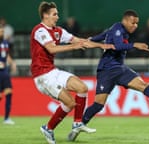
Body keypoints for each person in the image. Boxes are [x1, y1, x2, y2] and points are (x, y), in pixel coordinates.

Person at [67, 9, 149, 141]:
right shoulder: (118, 28)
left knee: (144, 86)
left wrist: (90, 39)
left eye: (137, 23)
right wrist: (135, 45)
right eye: (133, 23)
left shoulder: (118, 30)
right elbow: (119, 46)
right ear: (125, 20)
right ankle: (78, 126)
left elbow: (104, 35)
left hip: (120, 69)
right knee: (98, 105)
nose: (135, 26)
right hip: (107, 71)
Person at [30, 2, 114, 144]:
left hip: (53, 71)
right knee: (69, 103)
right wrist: (74, 46)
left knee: (82, 88)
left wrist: (102, 45)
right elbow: (52, 49)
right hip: (42, 76)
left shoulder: (58, 31)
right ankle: (48, 128)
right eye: (54, 14)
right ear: (45, 15)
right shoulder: (40, 31)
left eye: (57, 14)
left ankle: (77, 123)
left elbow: (80, 41)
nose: (57, 17)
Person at [0, 25, 17, 125]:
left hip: (4, 72)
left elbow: (6, 55)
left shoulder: (5, 43)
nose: (2, 33)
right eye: (0, 31)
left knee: (9, 93)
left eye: (3, 31)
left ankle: (6, 118)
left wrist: (12, 62)